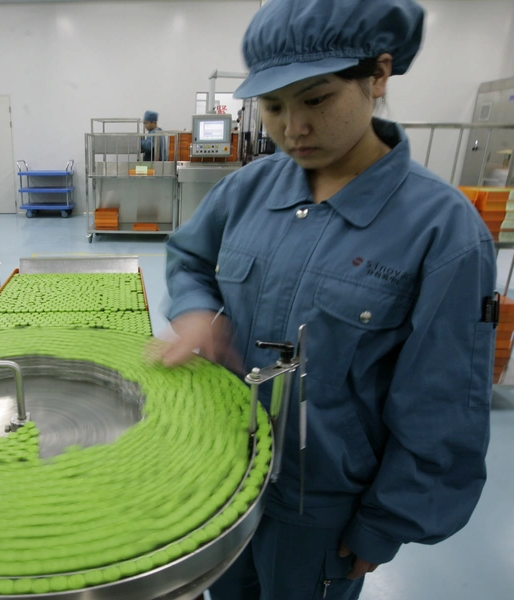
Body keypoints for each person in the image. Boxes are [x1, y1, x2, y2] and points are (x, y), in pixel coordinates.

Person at [157, 1, 494, 599]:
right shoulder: (246, 191)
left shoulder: (443, 231)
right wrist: (196, 315)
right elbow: (189, 258)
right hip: (221, 479)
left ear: (378, 76)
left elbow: (441, 401)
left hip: (324, 509)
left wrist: (387, 521)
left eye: (316, 99)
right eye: (273, 106)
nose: (292, 128)